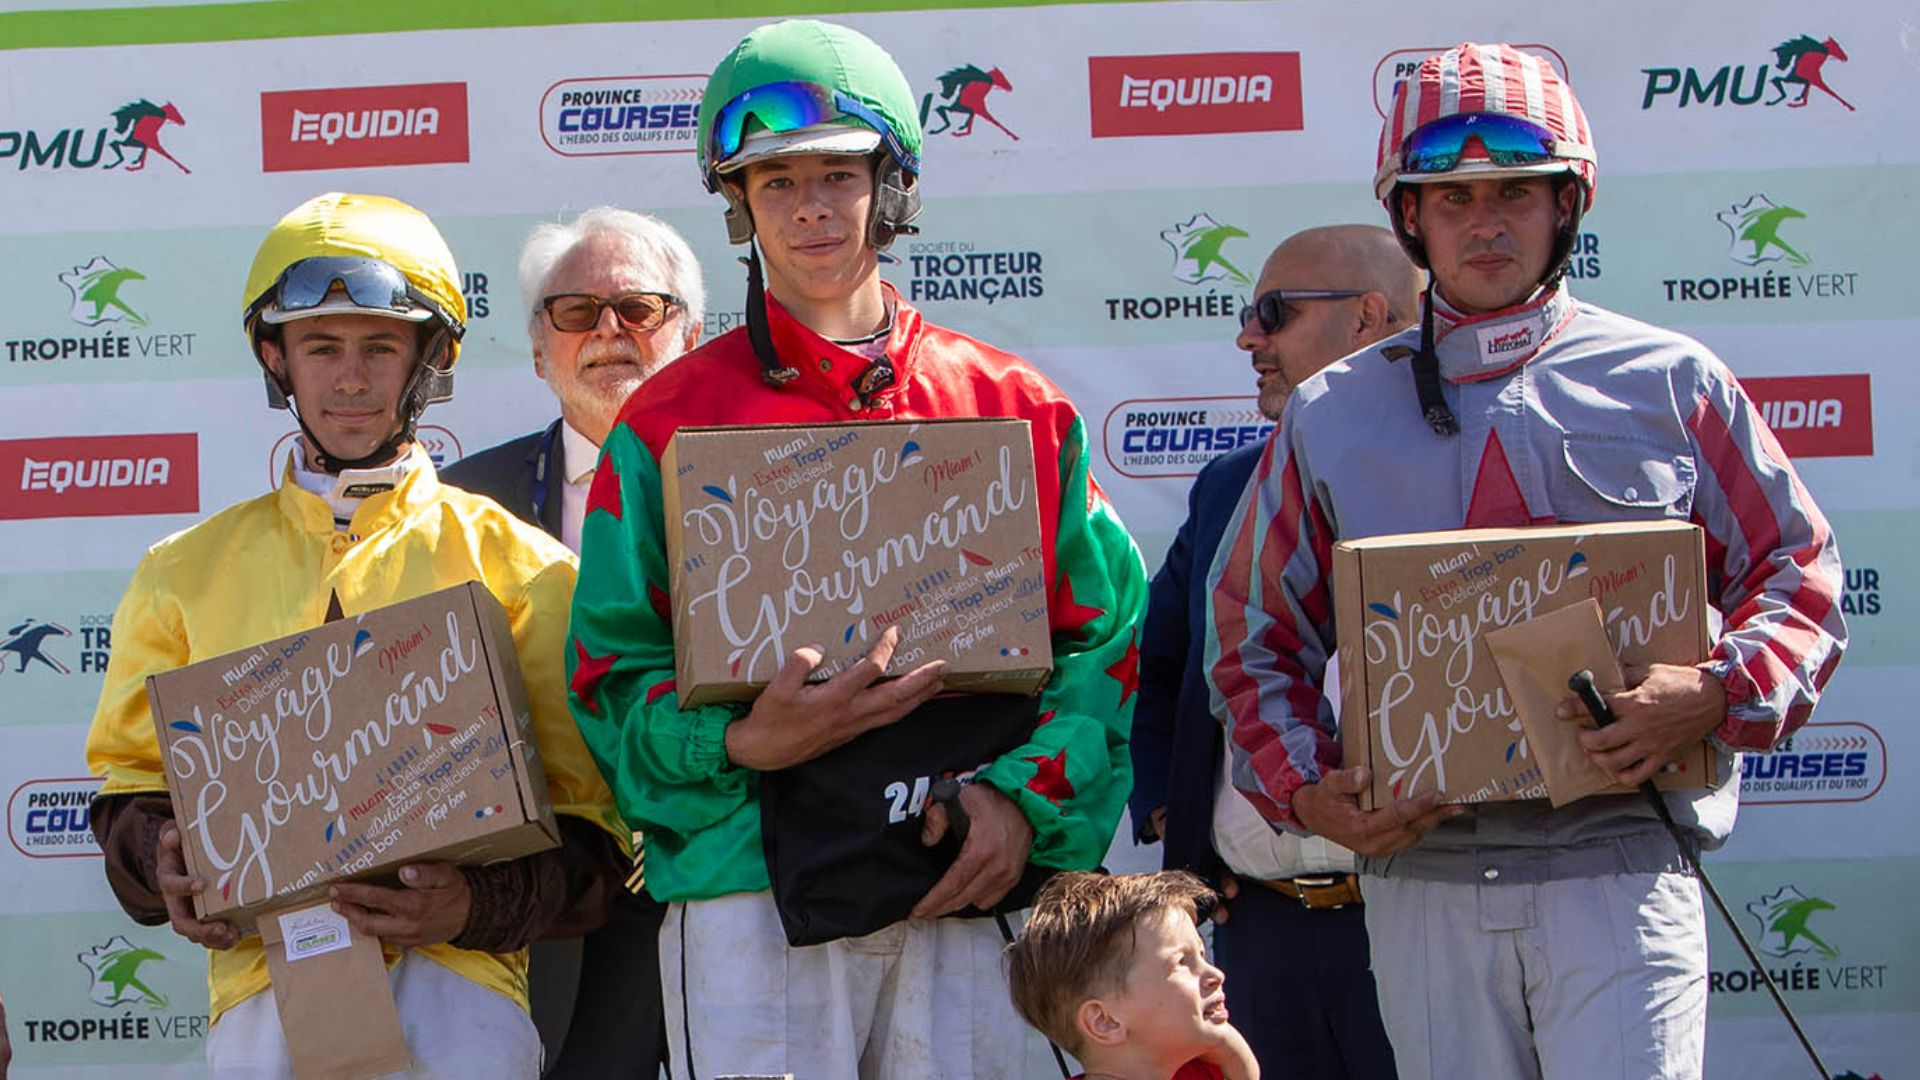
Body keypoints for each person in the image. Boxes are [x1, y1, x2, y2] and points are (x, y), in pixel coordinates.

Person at [1206, 44, 1845, 1080]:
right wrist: (1308, 789)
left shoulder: (1673, 380)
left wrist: (1716, 691)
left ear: (1567, 205)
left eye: (1516, 191)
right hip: (1426, 886)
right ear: (1410, 217)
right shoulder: (1330, 412)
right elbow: (1250, 636)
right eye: (1453, 198)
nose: (1487, 222)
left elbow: (1799, 574)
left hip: (1624, 870)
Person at [565, 19, 1145, 1079]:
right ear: (738, 203)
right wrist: (740, 743)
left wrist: (1023, 802)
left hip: (973, 879)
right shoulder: (665, 423)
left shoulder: (1013, 405)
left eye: (839, 172)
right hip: (752, 892)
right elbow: (609, 675)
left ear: (893, 185)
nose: (812, 207)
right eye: (776, 180)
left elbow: (1104, 641)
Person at [84, 192, 629, 1079]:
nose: (350, 380)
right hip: (261, 995)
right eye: (321, 347)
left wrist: (471, 904)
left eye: (380, 347)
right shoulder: (180, 572)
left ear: (430, 358)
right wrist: (163, 859)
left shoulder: (528, 571)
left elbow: (596, 840)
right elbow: (131, 790)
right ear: (276, 358)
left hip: (460, 1000)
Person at [1129, 225, 1417, 1080]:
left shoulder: (1460, 478)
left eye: (1275, 313)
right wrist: (1172, 813)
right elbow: (1159, 669)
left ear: (1368, 316)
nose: (1248, 338)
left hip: (1419, 917)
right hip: (1256, 936)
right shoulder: (1227, 485)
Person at [443, 206, 704, 1079]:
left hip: (735, 881)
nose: (607, 331)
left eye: (639, 308)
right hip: (552, 907)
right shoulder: (457, 506)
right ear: (536, 348)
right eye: (575, 311)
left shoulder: (771, 484)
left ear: (691, 336)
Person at [1005, 871, 1259, 1080]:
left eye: (1202, 955)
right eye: (1182, 962)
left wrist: (1225, 1044)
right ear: (1105, 1020)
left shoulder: (1194, 1070)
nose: (1216, 974)